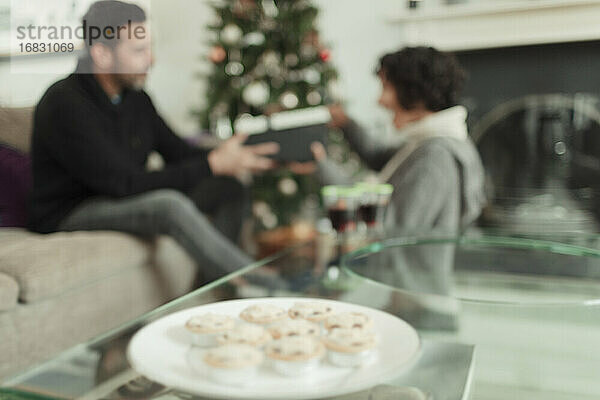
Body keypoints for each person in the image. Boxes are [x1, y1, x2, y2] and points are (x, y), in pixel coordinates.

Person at [28, 1, 279, 284]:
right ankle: (265, 282)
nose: (152, 59)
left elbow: (178, 152)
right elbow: (124, 184)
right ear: (101, 54)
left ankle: (214, 290)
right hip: (72, 211)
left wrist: (229, 156)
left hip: (120, 194)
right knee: (167, 206)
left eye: (149, 47)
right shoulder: (64, 103)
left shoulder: (136, 98)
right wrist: (212, 164)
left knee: (229, 188)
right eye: (138, 51)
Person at [311, 46, 486, 235]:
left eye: (386, 88)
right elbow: (381, 157)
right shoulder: (431, 141)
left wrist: (321, 165)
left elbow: (386, 229)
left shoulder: (435, 157)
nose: (380, 100)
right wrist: (346, 123)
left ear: (415, 93)